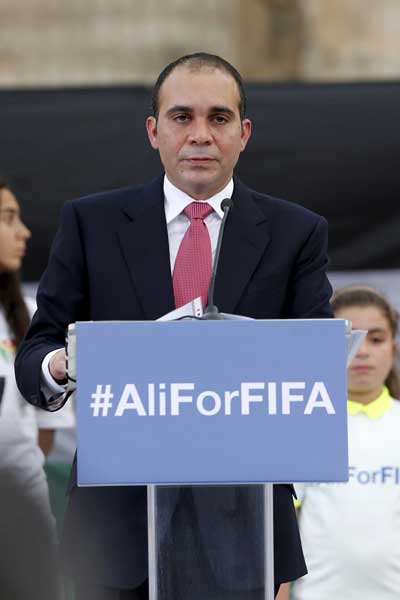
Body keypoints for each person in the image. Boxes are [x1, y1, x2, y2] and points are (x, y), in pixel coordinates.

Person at [15, 53, 333, 599]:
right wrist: (64, 362)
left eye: (219, 118)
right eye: (182, 117)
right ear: (153, 130)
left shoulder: (296, 232)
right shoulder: (91, 223)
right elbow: (36, 352)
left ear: (244, 132)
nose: (201, 135)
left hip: (244, 523)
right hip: (115, 534)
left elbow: (313, 366)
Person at [285, 286, 400, 600]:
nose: (362, 351)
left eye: (375, 339)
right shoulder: (304, 428)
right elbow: (282, 531)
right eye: (348, 338)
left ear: (394, 346)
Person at [0, 177, 74, 597]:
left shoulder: (31, 317)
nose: (23, 232)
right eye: (8, 218)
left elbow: (47, 430)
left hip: (23, 517)